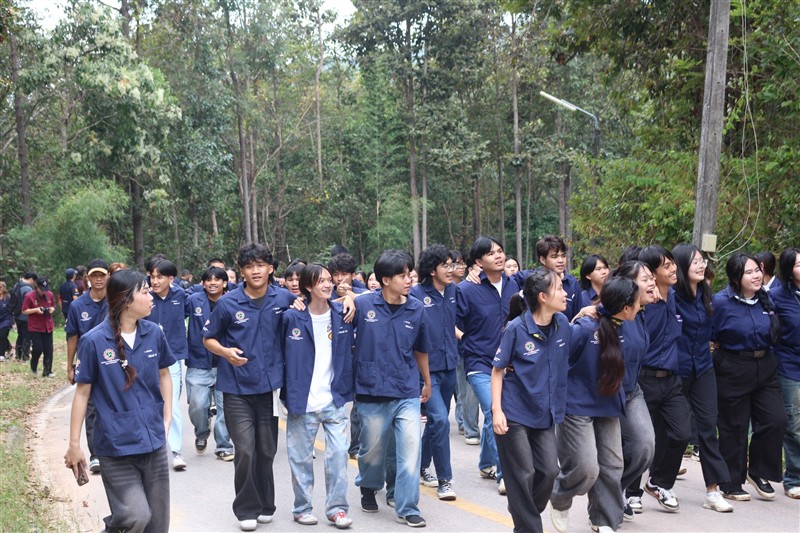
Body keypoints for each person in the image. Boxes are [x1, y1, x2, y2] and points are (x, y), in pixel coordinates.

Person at [64, 269, 175, 533]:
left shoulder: (154, 333)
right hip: (116, 448)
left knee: (158, 525)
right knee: (135, 516)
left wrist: (167, 418)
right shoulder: (93, 341)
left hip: (154, 443)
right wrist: (74, 445)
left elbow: (164, 375)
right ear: (126, 300)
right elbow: (82, 393)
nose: (152, 296)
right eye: (145, 292)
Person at [203, 243, 297, 532]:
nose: (255, 271)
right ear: (241, 271)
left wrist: (350, 298)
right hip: (236, 389)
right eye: (249, 266)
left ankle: (266, 504)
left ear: (270, 269)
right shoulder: (228, 303)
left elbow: (317, 304)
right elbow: (208, 338)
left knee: (266, 450)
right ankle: (246, 508)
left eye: (260, 265)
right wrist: (225, 352)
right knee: (245, 450)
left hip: (269, 389)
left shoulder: (284, 298)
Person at [550, 276, 640, 533]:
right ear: (625, 307)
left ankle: (603, 519)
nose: (640, 306)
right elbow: (556, 359)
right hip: (577, 404)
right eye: (637, 303)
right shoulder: (584, 329)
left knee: (612, 465)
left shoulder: (628, 324)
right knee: (587, 468)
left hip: (608, 401)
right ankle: (560, 499)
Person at [353, 249, 432, 528]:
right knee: (372, 451)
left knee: (410, 451)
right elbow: (330, 304)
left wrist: (427, 381)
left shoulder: (417, 309)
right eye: (402, 275)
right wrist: (345, 297)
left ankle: (407, 506)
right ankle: (369, 485)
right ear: (386, 280)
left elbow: (421, 349)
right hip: (371, 389)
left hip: (406, 389)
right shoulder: (363, 304)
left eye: (410, 274)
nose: (409, 279)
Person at [491, 269, 569, 533]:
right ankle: (528, 525)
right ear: (543, 297)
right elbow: (497, 370)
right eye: (559, 288)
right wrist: (497, 411)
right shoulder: (516, 328)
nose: (566, 293)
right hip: (514, 412)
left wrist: (592, 311)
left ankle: (523, 514)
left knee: (549, 471)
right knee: (523, 473)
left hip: (545, 412)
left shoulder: (563, 324)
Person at [281, 263, 355, 529]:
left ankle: (337, 509)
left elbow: (376, 296)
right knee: (300, 459)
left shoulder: (343, 313)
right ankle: (302, 508)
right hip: (302, 401)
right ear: (308, 286)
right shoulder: (292, 317)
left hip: (333, 400)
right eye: (320, 281)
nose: (327, 284)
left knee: (338, 455)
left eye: (328, 280)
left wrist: (350, 297)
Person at [712, 252, 787, 500]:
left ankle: (758, 471)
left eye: (758, 270)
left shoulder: (766, 299)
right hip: (733, 366)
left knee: (776, 419)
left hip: (765, 366)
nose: (756, 276)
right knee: (735, 426)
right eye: (749, 272)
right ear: (736, 278)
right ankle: (731, 482)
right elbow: (709, 333)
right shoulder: (721, 302)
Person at [627, 245, 691, 512]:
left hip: (671, 379)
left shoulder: (676, 296)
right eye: (666, 266)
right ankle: (631, 491)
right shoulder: (641, 305)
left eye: (673, 263)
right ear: (652, 274)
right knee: (643, 440)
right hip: (644, 378)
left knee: (682, 433)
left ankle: (659, 483)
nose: (674, 269)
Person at [672, 243, 733, 512]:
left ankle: (713, 491)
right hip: (677, 369)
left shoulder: (706, 293)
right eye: (695, 261)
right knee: (674, 431)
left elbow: (714, 327)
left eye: (702, 261)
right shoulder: (670, 296)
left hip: (703, 368)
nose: (701, 265)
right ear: (682, 266)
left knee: (708, 427)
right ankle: (657, 482)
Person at [457, 236, 519, 494]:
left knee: (496, 412)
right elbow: (452, 323)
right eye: (491, 253)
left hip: (508, 364)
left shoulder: (515, 284)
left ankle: (485, 463)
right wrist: (466, 339)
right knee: (496, 411)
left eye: (501, 251)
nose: (499, 256)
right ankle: (505, 475)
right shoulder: (466, 289)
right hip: (479, 362)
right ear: (479, 262)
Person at [411, 245, 459, 501]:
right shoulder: (416, 294)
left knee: (435, 422)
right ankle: (445, 480)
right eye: (445, 265)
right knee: (440, 420)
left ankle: (420, 466)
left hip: (450, 367)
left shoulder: (454, 291)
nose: (451, 270)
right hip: (427, 372)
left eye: (452, 265)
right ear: (432, 270)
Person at [610, 261, 657, 519]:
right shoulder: (609, 314)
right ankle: (604, 504)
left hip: (631, 391)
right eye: (646, 279)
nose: (652, 283)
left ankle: (615, 490)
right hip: (606, 394)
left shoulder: (640, 313)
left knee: (645, 447)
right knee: (610, 456)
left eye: (652, 278)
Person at [185, 266, 234, 461]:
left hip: (225, 364)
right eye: (208, 280)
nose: (212, 283)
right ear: (203, 283)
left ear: (225, 283)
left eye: (217, 279)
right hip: (198, 362)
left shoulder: (232, 301)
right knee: (197, 405)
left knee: (225, 409)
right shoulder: (193, 301)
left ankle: (223, 446)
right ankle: (202, 431)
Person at [66, 258, 111, 473]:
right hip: (88, 363)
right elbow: (72, 336)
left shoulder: (116, 300)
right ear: (88, 278)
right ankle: (96, 454)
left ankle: (115, 449)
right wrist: (70, 366)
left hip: (113, 361)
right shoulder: (77, 305)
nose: (99, 279)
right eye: (95, 275)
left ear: (108, 277)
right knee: (91, 408)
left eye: (102, 275)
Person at [146, 259, 189, 471]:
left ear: (171, 279)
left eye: (160, 277)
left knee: (171, 403)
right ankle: (150, 447)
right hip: (146, 357)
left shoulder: (182, 296)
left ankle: (175, 451)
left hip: (172, 358)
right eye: (152, 277)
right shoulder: (144, 297)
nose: (155, 281)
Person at [771, 247, 800, 499]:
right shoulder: (777, 296)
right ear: (789, 270)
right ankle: (794, 477)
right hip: (789, 365)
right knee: (794, 425)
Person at [451, 250, 480, 446]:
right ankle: (466, 424)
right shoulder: (452, 289)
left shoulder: (471, 285)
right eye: (456, 263)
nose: (459, 267)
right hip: (458, 345)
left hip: (473, 344)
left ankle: (466, 423)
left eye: (462, 263)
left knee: (468, 389)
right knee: (463, 389)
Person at [22, 277, 56, 377]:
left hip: (48, 325)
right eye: (41, 290)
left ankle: (47, 371)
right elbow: (24, 310)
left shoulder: (50, 294)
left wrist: (51, 309)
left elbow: (53, 305)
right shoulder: (29, 296)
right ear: (37, 287)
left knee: (49, 349)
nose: (43, 292)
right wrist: (36, 310)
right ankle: (34, 367)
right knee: (38, 348)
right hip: (35, 326)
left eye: (45, 289)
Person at [12, 272, 37, 361]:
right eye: (34, 281)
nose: (34, 283)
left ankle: (18, 354)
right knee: (27, 336)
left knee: (20, 335)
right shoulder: (28, 289)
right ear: (31, 279)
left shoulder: (17, 285)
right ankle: (25, 356)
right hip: (26, 316)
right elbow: (31, 303)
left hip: (17, 315)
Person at [0, 282, 13, 360]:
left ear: (4, 288)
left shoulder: (8, 297)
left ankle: (1, 354)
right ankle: (9, 347)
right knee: (2, 336)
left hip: (7, 319)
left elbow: (12, 308)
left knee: (2, 335)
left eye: (0, 287)